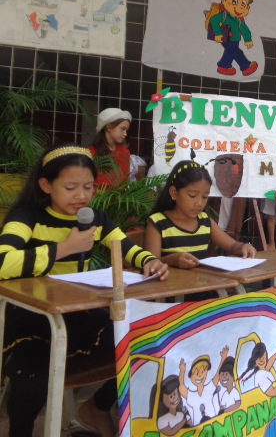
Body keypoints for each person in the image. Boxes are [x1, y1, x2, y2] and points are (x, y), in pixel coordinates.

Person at [0, 143, 169, 437]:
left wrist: (151, 262)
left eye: (88, 187)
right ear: (46, 185)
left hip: (79, 316)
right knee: (31, 381)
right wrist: (64, 248)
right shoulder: (27, 218)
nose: (81, 196)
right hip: (30, 319)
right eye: (70, 187)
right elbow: (3, 263)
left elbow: (128, 250)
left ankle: (97, 407)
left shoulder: (95, 220)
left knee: (145, 349)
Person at [144, 160, 257, 271]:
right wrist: (171, 260)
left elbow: (232, 246)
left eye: (205, 197)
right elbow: (151, 263)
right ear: (174, 193)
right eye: (192, 196)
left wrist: (244, 247)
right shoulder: (158, 223)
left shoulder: (204, 221)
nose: (199, 203)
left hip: (202, 285)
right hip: (170, 287)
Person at [88, 107, 132, 189]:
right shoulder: (89, 152)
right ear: (108, 127)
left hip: (119, 200)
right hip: (96, 200)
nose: (125, 134)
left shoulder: (125, 152)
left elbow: (125, 181)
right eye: (122, 129)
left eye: (126, 130)